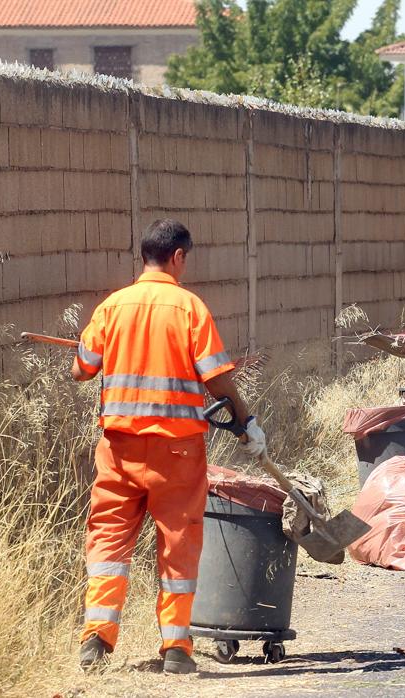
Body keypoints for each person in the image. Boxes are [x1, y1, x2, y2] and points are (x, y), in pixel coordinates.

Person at [71, 219, 266, 673]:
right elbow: (218, 380)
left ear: (145, 256)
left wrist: (89, 349)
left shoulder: (113, 306)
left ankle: (96, 640)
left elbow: (83, 369)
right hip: (177, 453)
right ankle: (177, 649)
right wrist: (246, 421)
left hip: (119, 451)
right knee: (178, 545)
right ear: (177, 256)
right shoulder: (189, 308)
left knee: (108, 543)